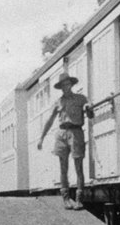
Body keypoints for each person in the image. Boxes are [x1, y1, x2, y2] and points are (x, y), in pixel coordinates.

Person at [37, 73, 94, 210]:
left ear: (72, 85)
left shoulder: (81, 99)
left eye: (68, 84)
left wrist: (89, 109)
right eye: (63, 85)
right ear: (61, 87)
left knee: (78, 166)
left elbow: (90, 115)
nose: (66, 87)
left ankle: (79, 199)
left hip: (76, 132)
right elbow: (50, 120)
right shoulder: (58, 102)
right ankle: (66, 199)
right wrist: (41, 138)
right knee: (63, 168)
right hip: (61, 133)